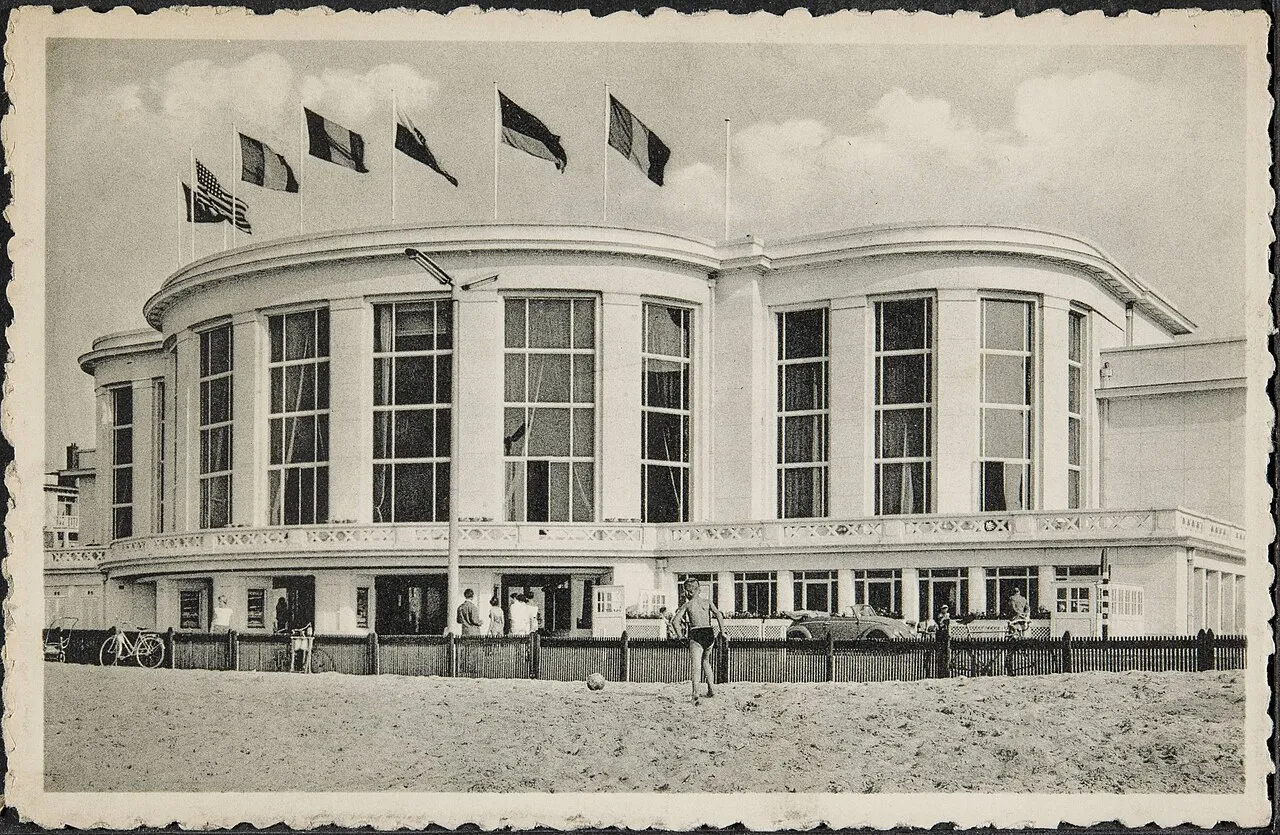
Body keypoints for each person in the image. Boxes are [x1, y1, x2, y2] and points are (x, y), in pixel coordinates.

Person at [669, 578, 727, 704]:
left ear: (687, 592)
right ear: (699, 590)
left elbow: (675, 621)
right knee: (706, 661)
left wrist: (680, 636)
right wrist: (722, 632)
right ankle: (711, 689)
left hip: (696, 633)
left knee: (696, 666)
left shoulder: (687, 605)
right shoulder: (707, 602)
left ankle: (695, 693)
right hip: (709, 632)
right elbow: (718, 614)